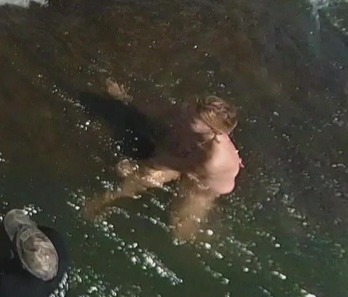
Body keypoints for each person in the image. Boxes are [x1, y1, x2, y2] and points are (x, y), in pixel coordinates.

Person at [84, 79, 243, 240]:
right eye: (190, 109)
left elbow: (169, 163)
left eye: (193, 119)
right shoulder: (192, 114)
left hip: (202, 183)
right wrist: (124, 99)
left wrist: (136, 166)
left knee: (179, 227)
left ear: (213, 131)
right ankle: (108, 198)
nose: (186, 114)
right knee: (151, 162)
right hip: (186, 155)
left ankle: (105, 200)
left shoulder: (213, 160)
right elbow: (158, 111)